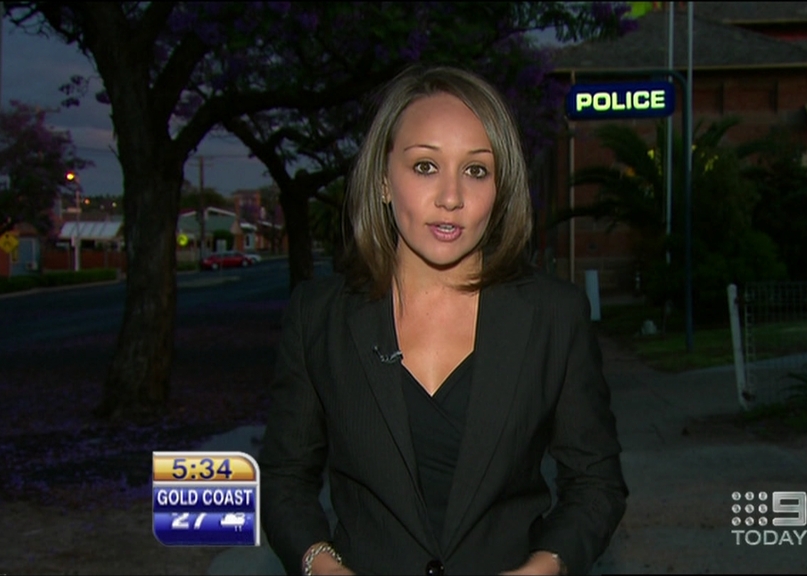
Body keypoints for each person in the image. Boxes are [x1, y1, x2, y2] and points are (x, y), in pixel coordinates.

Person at [261, 65, 627, 576]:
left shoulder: (554, 317)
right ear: (383, 180)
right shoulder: (318, 317)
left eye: (476, 170)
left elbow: (596, 485)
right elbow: (283, 480)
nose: (451, 197)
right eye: (425, 166)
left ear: (500, 189)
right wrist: (321, 565)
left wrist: (544, 567)